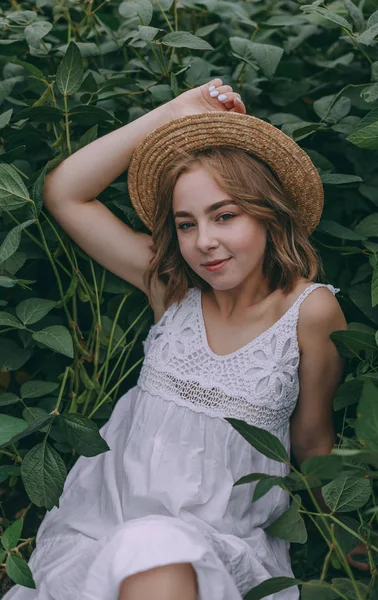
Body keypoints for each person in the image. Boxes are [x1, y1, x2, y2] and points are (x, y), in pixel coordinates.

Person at [4, 78, 348, 600]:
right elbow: (65, 193)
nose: (204, 241)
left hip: (218, 548)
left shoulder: (309, 311)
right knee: (143, 545)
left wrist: (350, 535)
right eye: (186, 224)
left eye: (225, 216)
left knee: (160, 544)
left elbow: (311, 442)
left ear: (269, 214)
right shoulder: (174, 290)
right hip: (104, 531)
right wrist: (180, 110)